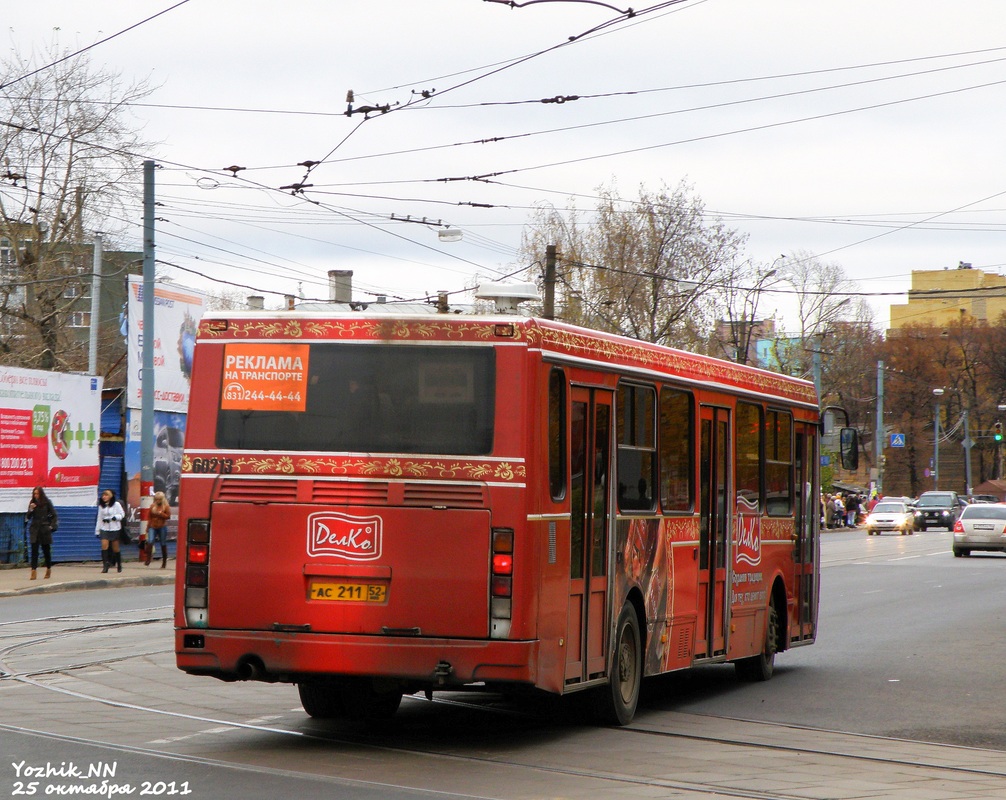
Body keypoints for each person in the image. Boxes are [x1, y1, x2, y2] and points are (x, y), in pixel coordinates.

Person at [26, 486, 58, 580]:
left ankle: (48, 568)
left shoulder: (46, 502)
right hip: (35, 529)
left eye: (37, 493)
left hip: (44, 529)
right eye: (34, 494)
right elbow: (28, 517)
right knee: (34, 551)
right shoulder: (32, 503)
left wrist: (51, 526)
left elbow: (54, 515)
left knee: (46, 551)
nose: (36, 495)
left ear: (41, 494)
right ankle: (33, 571)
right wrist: (31, 509)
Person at [96, 489, 126, 573]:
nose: (104, 497)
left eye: (106, 495)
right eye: (103, 495)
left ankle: (119, 564)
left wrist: (116, 517)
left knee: (115, 548)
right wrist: (97, 530)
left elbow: (122, 514)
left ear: (110, 496)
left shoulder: (116, 504)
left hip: (114, 528)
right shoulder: (101, 506)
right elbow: (99, 518)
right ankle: (105, 566)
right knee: (104, 546)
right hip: (104, 528)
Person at [147, 491, 171, 569]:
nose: (158, 501)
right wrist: (148, 527)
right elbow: (149, 517)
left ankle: (164, 562)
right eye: (156, 499)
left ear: (162, 499)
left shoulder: (166, 506)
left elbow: (168, 516)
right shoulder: (152, 506)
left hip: (162, 526)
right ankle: (148, 558)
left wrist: (161, 514)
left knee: (163, 543)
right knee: (150, 541)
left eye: (159, 499)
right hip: (153, 526)